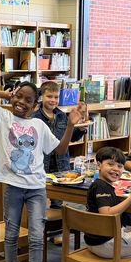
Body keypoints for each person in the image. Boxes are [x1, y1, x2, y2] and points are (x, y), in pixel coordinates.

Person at [0, 83, 81, 262]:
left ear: (35, 105)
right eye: (19, 97)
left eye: (28, 100)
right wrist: (7, 94)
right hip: (13, 187)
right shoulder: (3, 116)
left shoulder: (39, 125)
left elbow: (60, 150)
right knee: (11, 235)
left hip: (36, 188)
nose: (21, 102)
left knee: (36, 237)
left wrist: (70, 125)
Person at [84, 146, 131, 260]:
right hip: (105, 243)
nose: (116, 169)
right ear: (99, 165)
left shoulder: (100, 184)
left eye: (120, 166)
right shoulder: (101, 186)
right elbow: (107, 214)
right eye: (110, 164)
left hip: (93, 240)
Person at [33, 81, 88, 210]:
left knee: (58, 201)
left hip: (60, 165)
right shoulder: (34, 118)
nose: (53, 100)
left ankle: (55, 225)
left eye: (56, 97)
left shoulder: (62, 116)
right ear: (42, 97)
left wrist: (80, 129)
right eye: (49, 96)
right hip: (42, 164)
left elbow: (71, 137)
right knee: (39, 199)